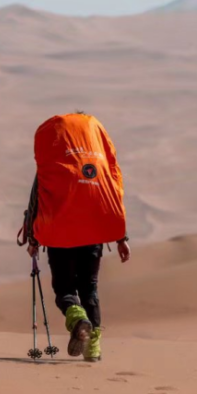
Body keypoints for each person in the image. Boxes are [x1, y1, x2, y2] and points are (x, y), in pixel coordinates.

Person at [22, 111, 130, 362]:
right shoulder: (100, 167)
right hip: (93, 236)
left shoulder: (53, 169)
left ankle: (77, 318)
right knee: (90, 288)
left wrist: (32, 238)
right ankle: (93, 347)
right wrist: (122, 239)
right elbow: (113, 199)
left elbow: (36, 200)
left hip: (60, 236)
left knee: (65, 289)